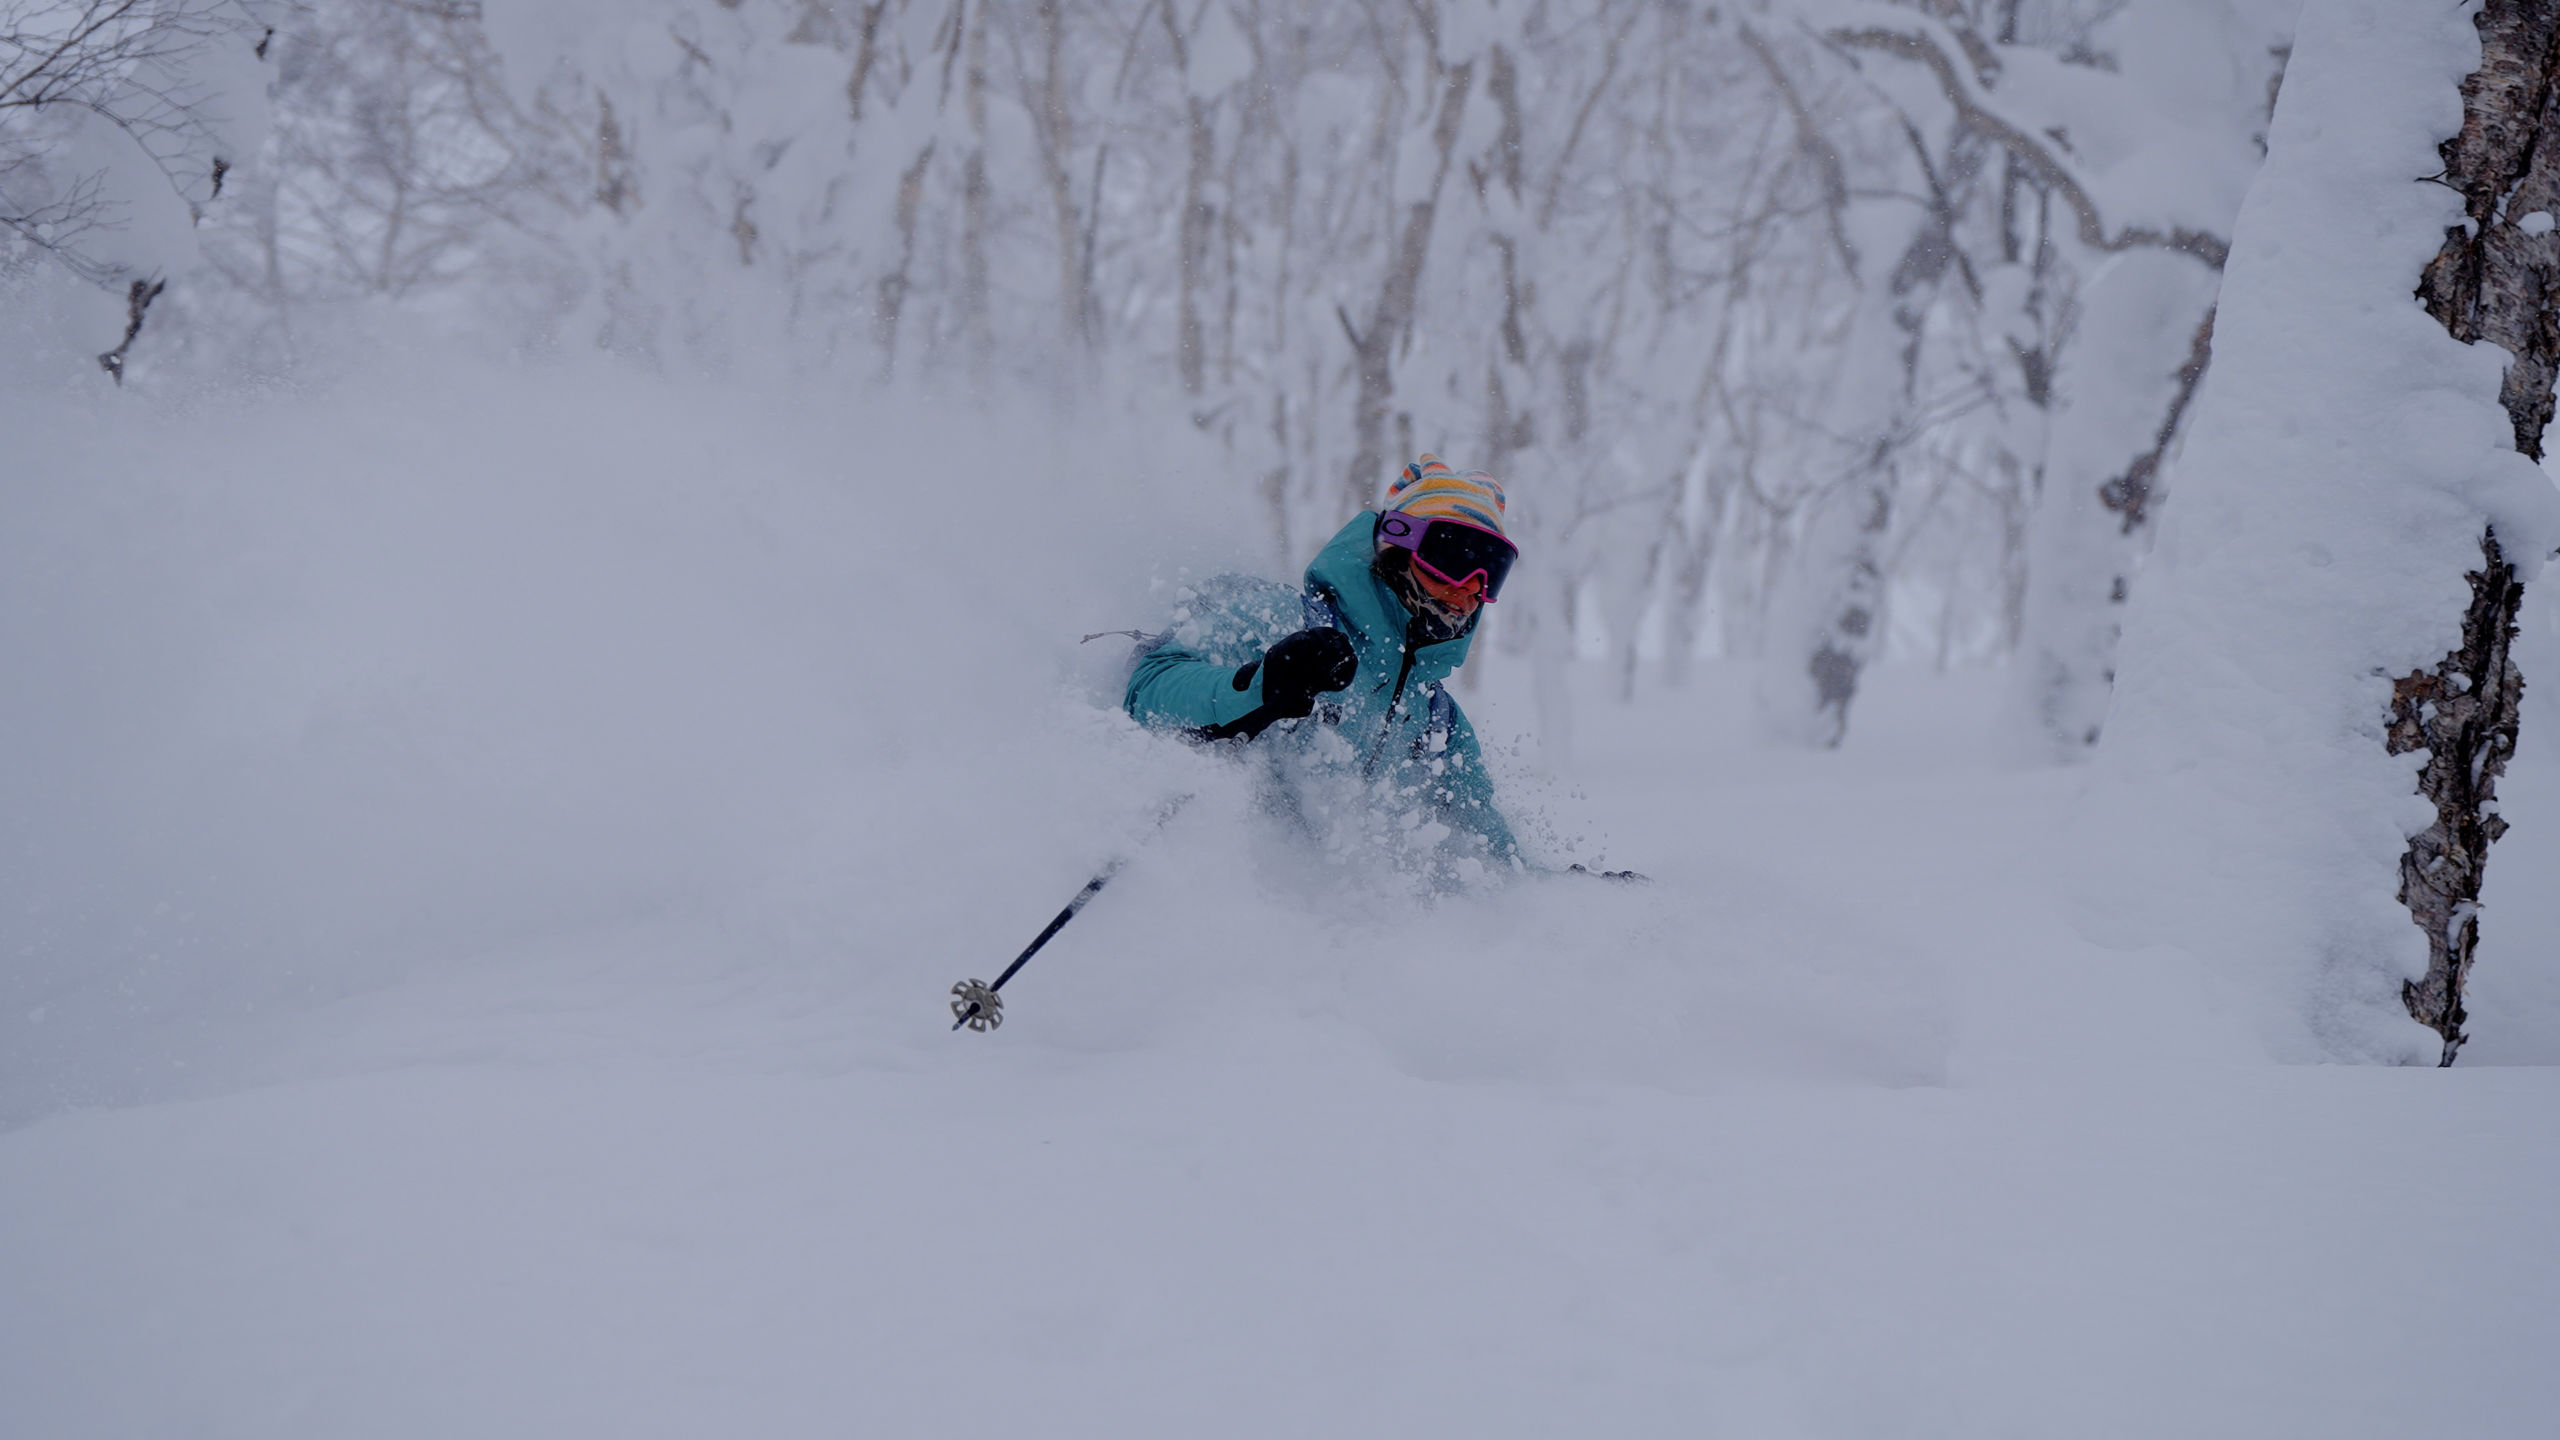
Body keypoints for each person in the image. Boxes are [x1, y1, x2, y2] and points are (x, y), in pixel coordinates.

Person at [1124, 456, 1525, 882]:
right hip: (1220, 889)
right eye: (1452, 557)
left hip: (1326, 913)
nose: (1469, 588)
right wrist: (1260, 684)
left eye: (1491, 568)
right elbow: (1146, 689)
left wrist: (1552, 890)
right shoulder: (1281, 622)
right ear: (1398, 547)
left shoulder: (1437, 720)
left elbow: (1491, 851)